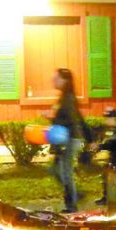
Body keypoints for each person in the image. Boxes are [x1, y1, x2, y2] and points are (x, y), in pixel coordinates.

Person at [48, 68, 87, 212]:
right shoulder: (65, 97)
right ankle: (76, 195)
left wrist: (53, 118)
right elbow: (78, 118)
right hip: (65, 139)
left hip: (69, 139)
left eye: (56, 78)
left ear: (65, 80)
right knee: (55, 170)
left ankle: (72, 205)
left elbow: (72, 120)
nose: (53, 80)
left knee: (65, 173)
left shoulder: (68, 98)